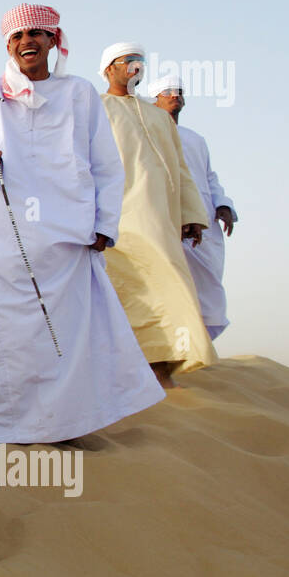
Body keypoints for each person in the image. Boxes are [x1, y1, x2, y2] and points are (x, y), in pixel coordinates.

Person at [0, 5, 163, 462]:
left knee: (67, 335)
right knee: (3, 332)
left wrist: (105, 224)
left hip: (71, 235)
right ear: (8, 46)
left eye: (36, 32)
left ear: (54, 40)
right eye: (16, 36)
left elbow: (106, 163)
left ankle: (65, 424)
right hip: (12, 238)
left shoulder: (80, 94)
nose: (26, 41)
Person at [98, 43, 216, 388]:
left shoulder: (157, 116)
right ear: (108, 69)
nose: (136, 66)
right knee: (129, 295)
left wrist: (191, 214)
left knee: (173, 292)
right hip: (119, 218)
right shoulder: (96, 108)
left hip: (160, 218)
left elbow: (181, 169)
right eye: (128, 61)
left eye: (140, 62)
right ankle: (126, 375)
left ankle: (162, 371)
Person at [149, 74, 237, 339]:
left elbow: (209, 176)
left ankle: (200, 348)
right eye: (168, 93)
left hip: (206, 224)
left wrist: (222, 205)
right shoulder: (148, 135)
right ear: (153, 101)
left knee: (208, 289)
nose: (175, 96)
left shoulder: (196, 139)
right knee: (172, 286)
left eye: (178, 92)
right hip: (170, 223)